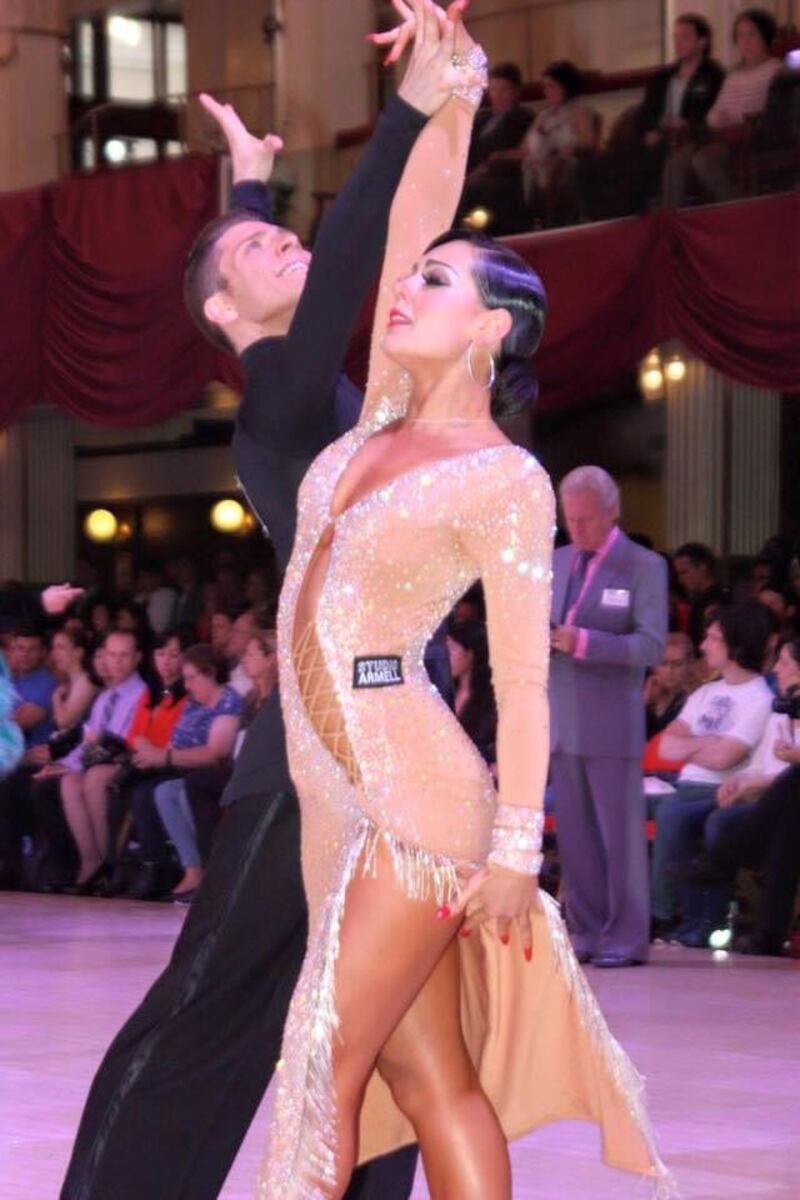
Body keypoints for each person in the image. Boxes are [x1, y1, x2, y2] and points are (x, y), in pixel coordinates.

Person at [258, 12, 670, 1196]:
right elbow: (405, 227)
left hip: (418, 803)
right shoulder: (383, 416)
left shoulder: (502, 476)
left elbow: (520, 680)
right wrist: (449, 98)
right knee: (421, 1072)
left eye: (435, 285)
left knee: (320, 1057)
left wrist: (508, 848)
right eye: (412, 281)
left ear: (490, 328)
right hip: (325, 795)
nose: (403, 291)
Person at [61, 8, 466, 1199]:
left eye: (277, 242)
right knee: (210, 1008)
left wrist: (248, 178)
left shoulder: (332, 387)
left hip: (400, 749)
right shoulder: (281, 396)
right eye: (257, 258)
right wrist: (398, 115)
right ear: (225, 322)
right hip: (308, 764)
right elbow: (344, 263)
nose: (283, 251)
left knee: (381, 1023)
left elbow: (319, 264)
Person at [549, 466, 668, 968]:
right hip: (562, 719)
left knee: (618, 838)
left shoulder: (642, 566)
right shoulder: (555, 561)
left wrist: (585, 642)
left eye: (586, 519)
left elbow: (651, 644)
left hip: (611, 723)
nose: (576, 529)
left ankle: (625, 937)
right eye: (569, 518)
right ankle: (586, 930)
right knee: (575, 838)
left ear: (612, 512)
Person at [652, 603, 773, 944]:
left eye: (713, 638)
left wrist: (691, 743)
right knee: (626, 806)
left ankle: (690, 919)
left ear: (735, 645)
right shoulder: (706, 692)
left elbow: (724, 758)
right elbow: (665, 747)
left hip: (722, 791)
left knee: (674, 814)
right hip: (685, 785)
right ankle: (665, 914)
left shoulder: (759, 697)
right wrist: (706, 741)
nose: (704, 645)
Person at [672, 637, 800, 955]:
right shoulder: (785, 707)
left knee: (789, 793)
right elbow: (766, 765)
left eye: (784, 662)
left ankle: (722, 863)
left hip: (779, 794)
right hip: (783, 798)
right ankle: (768, 932)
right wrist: (742, 781)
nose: (776, 670)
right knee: (787, 826)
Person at [138, 644, 243, 903]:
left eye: (191, 678)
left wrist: (165, 756)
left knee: (186, 794)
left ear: (209, 673)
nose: (186, 685)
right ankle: (192, 867)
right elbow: (177, 743)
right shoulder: (194, 704)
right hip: (188, 772)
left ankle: (210, 868)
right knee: (162, 792)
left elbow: (216, 753)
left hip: (218, 777)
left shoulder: (230, 702)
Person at [54, 629, 147, 891]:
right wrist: (63, 765)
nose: (116, 662)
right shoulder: (105, 696)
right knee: (69, 781)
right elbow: (88, 741)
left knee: (94, 778)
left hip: (126, 762)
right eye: (111, 655)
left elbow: (121, 741)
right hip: (99, 761)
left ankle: (111, 863)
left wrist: (94, 751)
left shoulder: (141, 693)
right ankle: (90, 862)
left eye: (124, 656)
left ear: (137, 657)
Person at [688, 8, 782, 203]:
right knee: (678, 160)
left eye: (751, 34)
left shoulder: (775, 70)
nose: (745, 41)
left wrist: (734, 121)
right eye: (740, 36)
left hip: (751, 137)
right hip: (721, 134)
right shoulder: (732, 75)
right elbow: (718, 108)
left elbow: (770, 110)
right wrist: (715, 119)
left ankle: (737, 207)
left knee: (704, 160)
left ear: (765, 35)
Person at [637, 14, 725, 208]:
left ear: (702, 41)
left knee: (674, 163)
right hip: (661, 134)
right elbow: (646, 111)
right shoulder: (662, 77)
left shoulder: (713, 75)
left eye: (684, 37)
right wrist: (653, 129)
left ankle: (670, 222)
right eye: (675, 37)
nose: (678, 43)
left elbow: (713, 111)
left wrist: (685, 124)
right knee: (628, 155)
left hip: (694, 136)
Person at [455, 60, 534, 234]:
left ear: (516, 92)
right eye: (494, 89)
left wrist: (481, 170)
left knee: (469, 190)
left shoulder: (522, 117)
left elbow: (515, 152)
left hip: (501, 176)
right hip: (472, 172)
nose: (498, 95)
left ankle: (464, 234)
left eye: (504, 90)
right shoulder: (482, 118)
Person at [519, 60, 596, 223]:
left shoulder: (580, 110)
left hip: (565, 162)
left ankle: (555, 221)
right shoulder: (544, 115)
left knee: (559, 171)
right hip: (538, 162)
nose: (547, 92)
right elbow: (525, 147)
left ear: (565, 86)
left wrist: (567, 149)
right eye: (545, 87)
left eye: (551, 86)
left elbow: (589, 141)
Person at [446, 617, 496, 764]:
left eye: (450, 650)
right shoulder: (441, 689)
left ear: (471, 654)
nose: (445, 657)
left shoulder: (492, 705)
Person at [673, 541, 725, 649]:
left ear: (702, 567)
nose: (681, 580)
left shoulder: (716, 601)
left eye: (684, 572)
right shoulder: (698, 599)